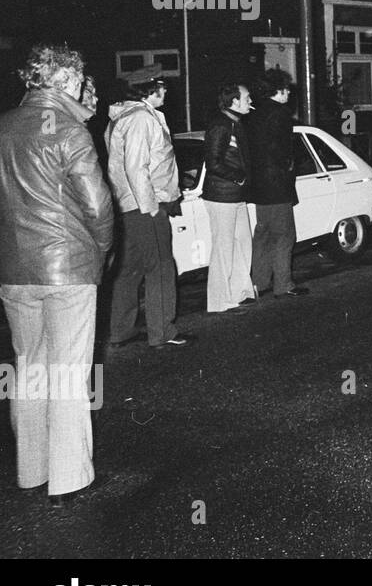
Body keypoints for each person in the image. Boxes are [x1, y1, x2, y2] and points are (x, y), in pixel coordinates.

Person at [0, 44, 114, 507]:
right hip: (67, 268)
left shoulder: (4, 126)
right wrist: (102, 253)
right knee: (68, 371)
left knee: (27, 368)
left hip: (14, 269)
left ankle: (31, 469)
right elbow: (98, 206)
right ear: (65, 82)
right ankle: (69, 477)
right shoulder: (68, 130)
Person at [105, 65, 188, 348]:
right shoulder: (141, 118)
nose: (166, 90)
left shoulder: (124, 117)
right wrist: (151, 207)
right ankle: (162, 331)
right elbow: (136, 167)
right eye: (162, 85)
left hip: (127, 206)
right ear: (149, 89)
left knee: (130, 270)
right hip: (145, 206)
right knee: (161, 267)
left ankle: (120, 330)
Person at [246, 69, 307, 298]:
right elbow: (282, 150)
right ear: (278, 91)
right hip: (277, 184)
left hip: (259, 186)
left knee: (263, 234)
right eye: (286, 89)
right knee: (284, 235)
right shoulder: (280, 114)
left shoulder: (254, 114)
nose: (289, 93)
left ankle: (259, 282)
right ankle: (284, 284)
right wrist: (289, 166)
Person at [202, 83, 257, 312]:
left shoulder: (235, 124)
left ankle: (239, 292)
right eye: (247, 99)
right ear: (234, 102)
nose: (250, 103)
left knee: (243, 243)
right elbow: (213, 163)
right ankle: (218, 300)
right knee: (223, 248)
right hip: (222, 195)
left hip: (235, 195)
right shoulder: (221, 126)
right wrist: (239, 178)